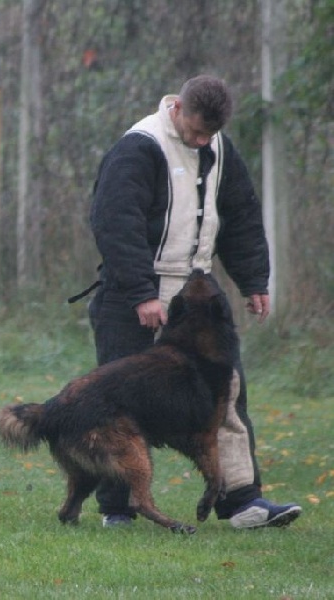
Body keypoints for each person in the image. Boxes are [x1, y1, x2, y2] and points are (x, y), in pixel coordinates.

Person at [88, 74, 302, 529]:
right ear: (178, 108)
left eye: (210, 133)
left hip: (199, 294)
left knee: (225, 396)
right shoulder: (138, 148)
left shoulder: (220, 148)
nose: (202, 140)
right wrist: (143, 293)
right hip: (134, 293)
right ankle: (118, 508)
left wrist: (254, 282)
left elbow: (241, 216)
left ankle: (243, 501)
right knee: (118, 400)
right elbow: (115, 223)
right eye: (196, 131)